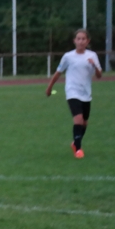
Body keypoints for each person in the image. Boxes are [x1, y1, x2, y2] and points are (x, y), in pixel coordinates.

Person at [46, 29, 102, 159]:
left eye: (83, 39)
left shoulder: (92, 55)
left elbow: (99, 76)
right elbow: (58, 73)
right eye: (78, 39)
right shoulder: (68, 56)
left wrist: (94, 66)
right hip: (72, 91)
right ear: (74, 41)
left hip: (86, 93)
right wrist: (49, 88)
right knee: (78, 119)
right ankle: (78, 149)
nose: (81, 41)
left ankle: (75, 143)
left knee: (84, 123)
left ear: (87, 41)